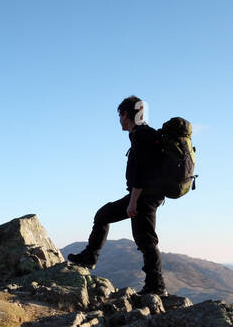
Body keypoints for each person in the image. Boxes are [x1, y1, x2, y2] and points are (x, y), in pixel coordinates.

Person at [66, 95, 167, 295]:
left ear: (126, 114)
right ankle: (90, 257)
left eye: (120, 116)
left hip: (143, 197)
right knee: (103, 215)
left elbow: (141, 173)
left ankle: (157, 286)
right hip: (147, 195)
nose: (119, 120)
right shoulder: (145, 134)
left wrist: (133, 202)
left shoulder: (141, 136)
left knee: (146, 241)